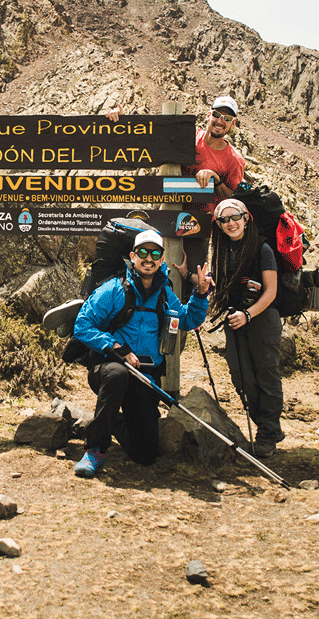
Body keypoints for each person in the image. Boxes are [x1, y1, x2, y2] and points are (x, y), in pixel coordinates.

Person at [71, 230, 211, 478]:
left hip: (145, 378)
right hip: (108, 370)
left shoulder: (165, 293)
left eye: (155, 253)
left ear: (161, 259)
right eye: (143, 253)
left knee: (145, 455)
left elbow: (187, 320)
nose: (149, 258)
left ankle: (110, 419)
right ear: (133, 256)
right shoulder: (114, 289)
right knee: (117, 376)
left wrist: (200, 295)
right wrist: (117, 348)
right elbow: (82, 326)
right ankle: (94, 449)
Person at [105, 96, 245, 299]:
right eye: (216, 115)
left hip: (198, 226)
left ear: (232, 124)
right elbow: (149, 142)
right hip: (164, 214)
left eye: (227, 118)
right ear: (208, 115)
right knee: (148, 271)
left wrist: (216, 179)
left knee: (192, 282)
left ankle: (182, 328)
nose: (220, 121)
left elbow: (234, 199)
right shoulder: (186, 139)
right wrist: (124, 122)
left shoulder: (233, 159)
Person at [208, 197, 284, 457]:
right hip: (235, 321)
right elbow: (220, 287)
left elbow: (271, 291)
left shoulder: (262, 249)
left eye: (235, 217)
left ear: (246, 218)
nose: (231, 223)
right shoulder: (223, 252)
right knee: (241, 376)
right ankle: (266, 428)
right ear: (219, 224)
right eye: (224, 219)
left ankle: (268, 435)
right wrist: (188, 276)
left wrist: (248, 315)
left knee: (266, 376)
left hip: (261, 320)